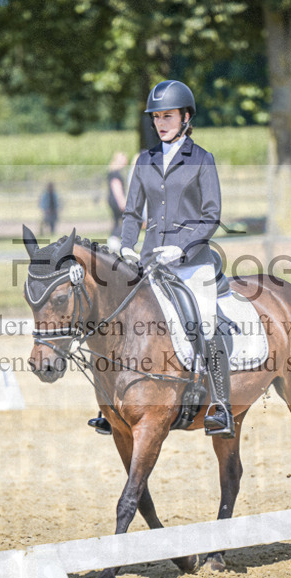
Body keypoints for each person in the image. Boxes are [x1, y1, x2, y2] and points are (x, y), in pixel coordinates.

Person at [97, 78, 232, 438]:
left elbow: (211, 215)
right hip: (150, 262)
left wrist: (183, 247)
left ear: (186, 117)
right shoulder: (145, 160)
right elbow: (131, 213)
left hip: (191, 262)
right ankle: (109, 404)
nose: (160, 123)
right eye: (156, 117)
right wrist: (127, 245)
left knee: (205, 322)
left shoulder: (202, 159)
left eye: (167, 116)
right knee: (115, 319)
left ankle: (221, 406)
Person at [106, 151, 129, 242]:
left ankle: (114, 239)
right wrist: (122, 202)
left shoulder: (112, 172)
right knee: (123, 221)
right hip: (116, 200)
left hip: (112, 200)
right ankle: (114, 239)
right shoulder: (115, 173)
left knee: (117, 221)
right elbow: (117, 188)